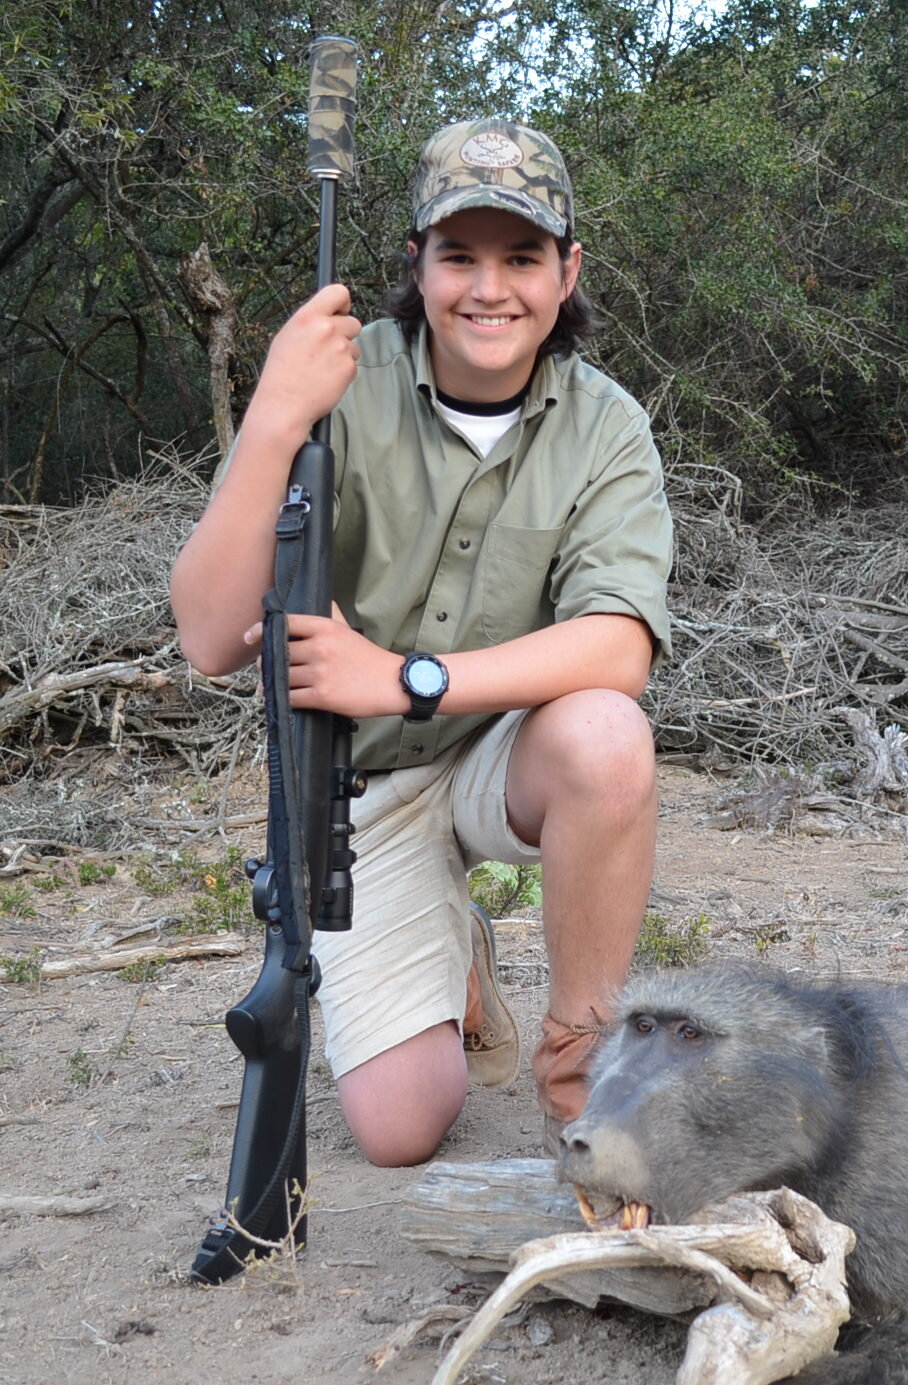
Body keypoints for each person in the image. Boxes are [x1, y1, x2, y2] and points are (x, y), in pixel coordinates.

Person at [169, 117, 669, 1166]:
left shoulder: (607, 423)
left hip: (496, 751)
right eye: (461, 257)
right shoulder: (337, 386)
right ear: (418, 264)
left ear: (566, 271)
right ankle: (459, 963)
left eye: (522, 258)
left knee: (607, 739)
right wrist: (271, 417)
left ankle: (584, 1075)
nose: (491, 289)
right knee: (400, 1128)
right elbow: (210, 635)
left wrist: (403, 677)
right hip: (356, 794)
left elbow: (619, 647)